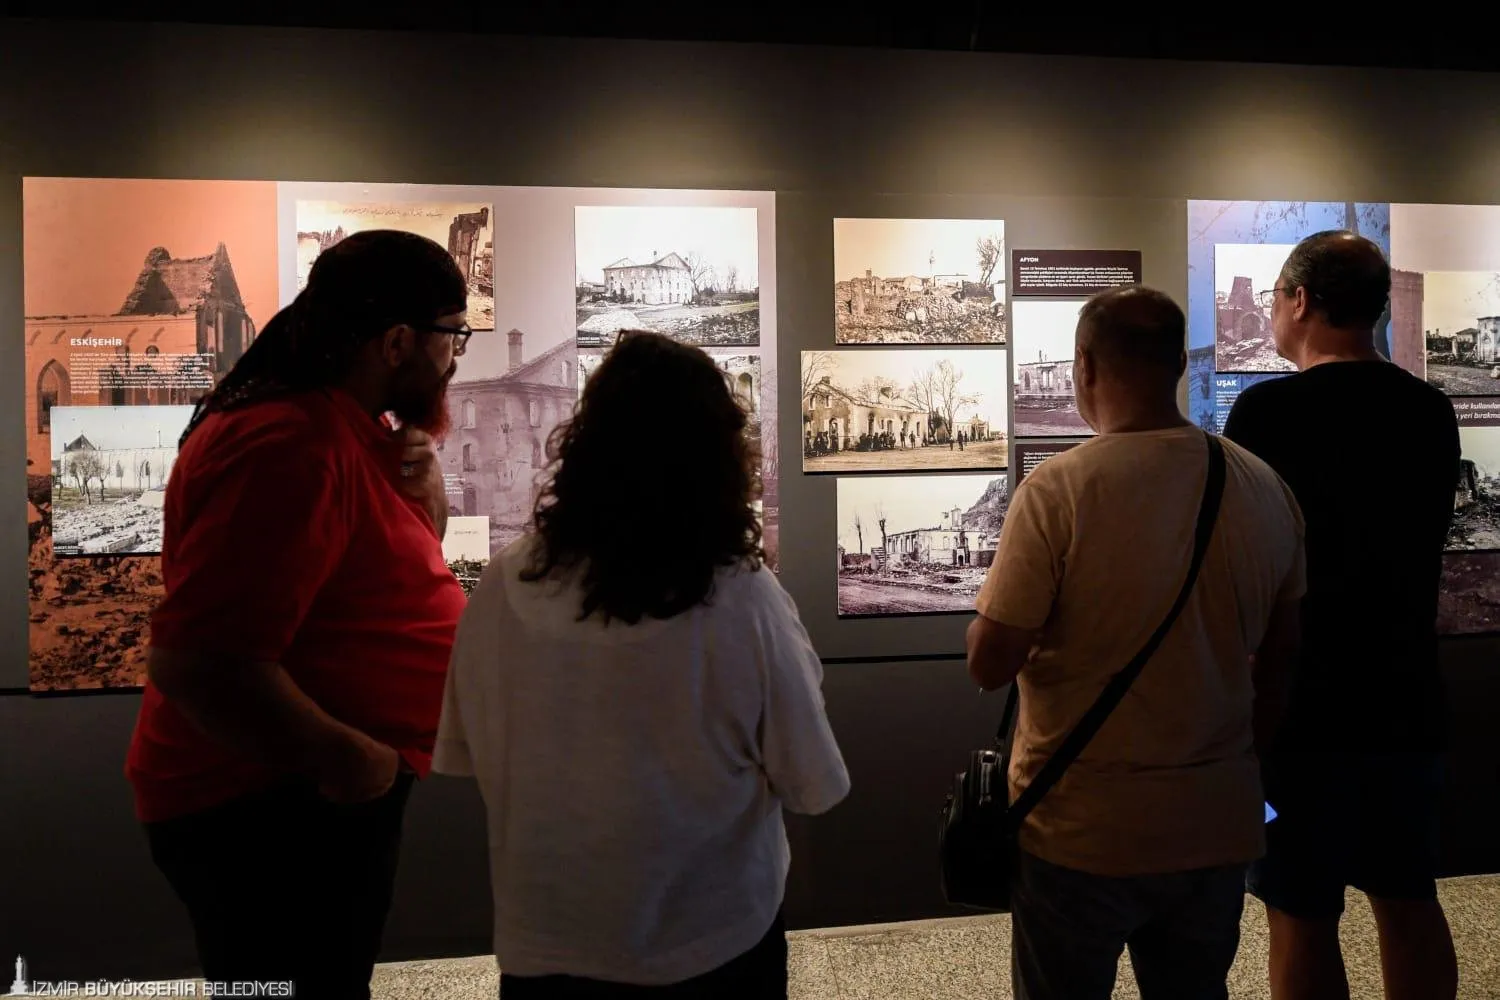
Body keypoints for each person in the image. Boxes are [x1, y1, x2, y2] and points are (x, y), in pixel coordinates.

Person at [433, 330, 849, 998]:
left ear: (585, 446)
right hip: (714, 938)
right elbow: (814, 783)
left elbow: (467, 752)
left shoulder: (507, 585)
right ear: (718, 457)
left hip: (549, 940)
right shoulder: (743, 596)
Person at [126, 230, 472, 999]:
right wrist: (351, 759)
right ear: (397, 341)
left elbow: (369, 576)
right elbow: (200, 662)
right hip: (267, 806)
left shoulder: (337, 426)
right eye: (454, 336)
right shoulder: (290, 444)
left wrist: (429, 501)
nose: (455, 359)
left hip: (296, 794)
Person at [967, 285, 1306, 1000]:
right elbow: (1282, 660)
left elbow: (988, 664)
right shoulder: (1263, 485)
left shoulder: (1058, 490)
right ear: (1179, 362)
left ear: (1083, 366)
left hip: (1081, 825)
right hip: (1213, 819)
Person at [1223, 231, 1460, 1000]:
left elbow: (1246, 558)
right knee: (1409, 897)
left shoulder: (1265, 411)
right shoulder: (1430, 410)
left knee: (1299, 909)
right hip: (1405, 691)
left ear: (1299, 300)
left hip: (1301, 701)